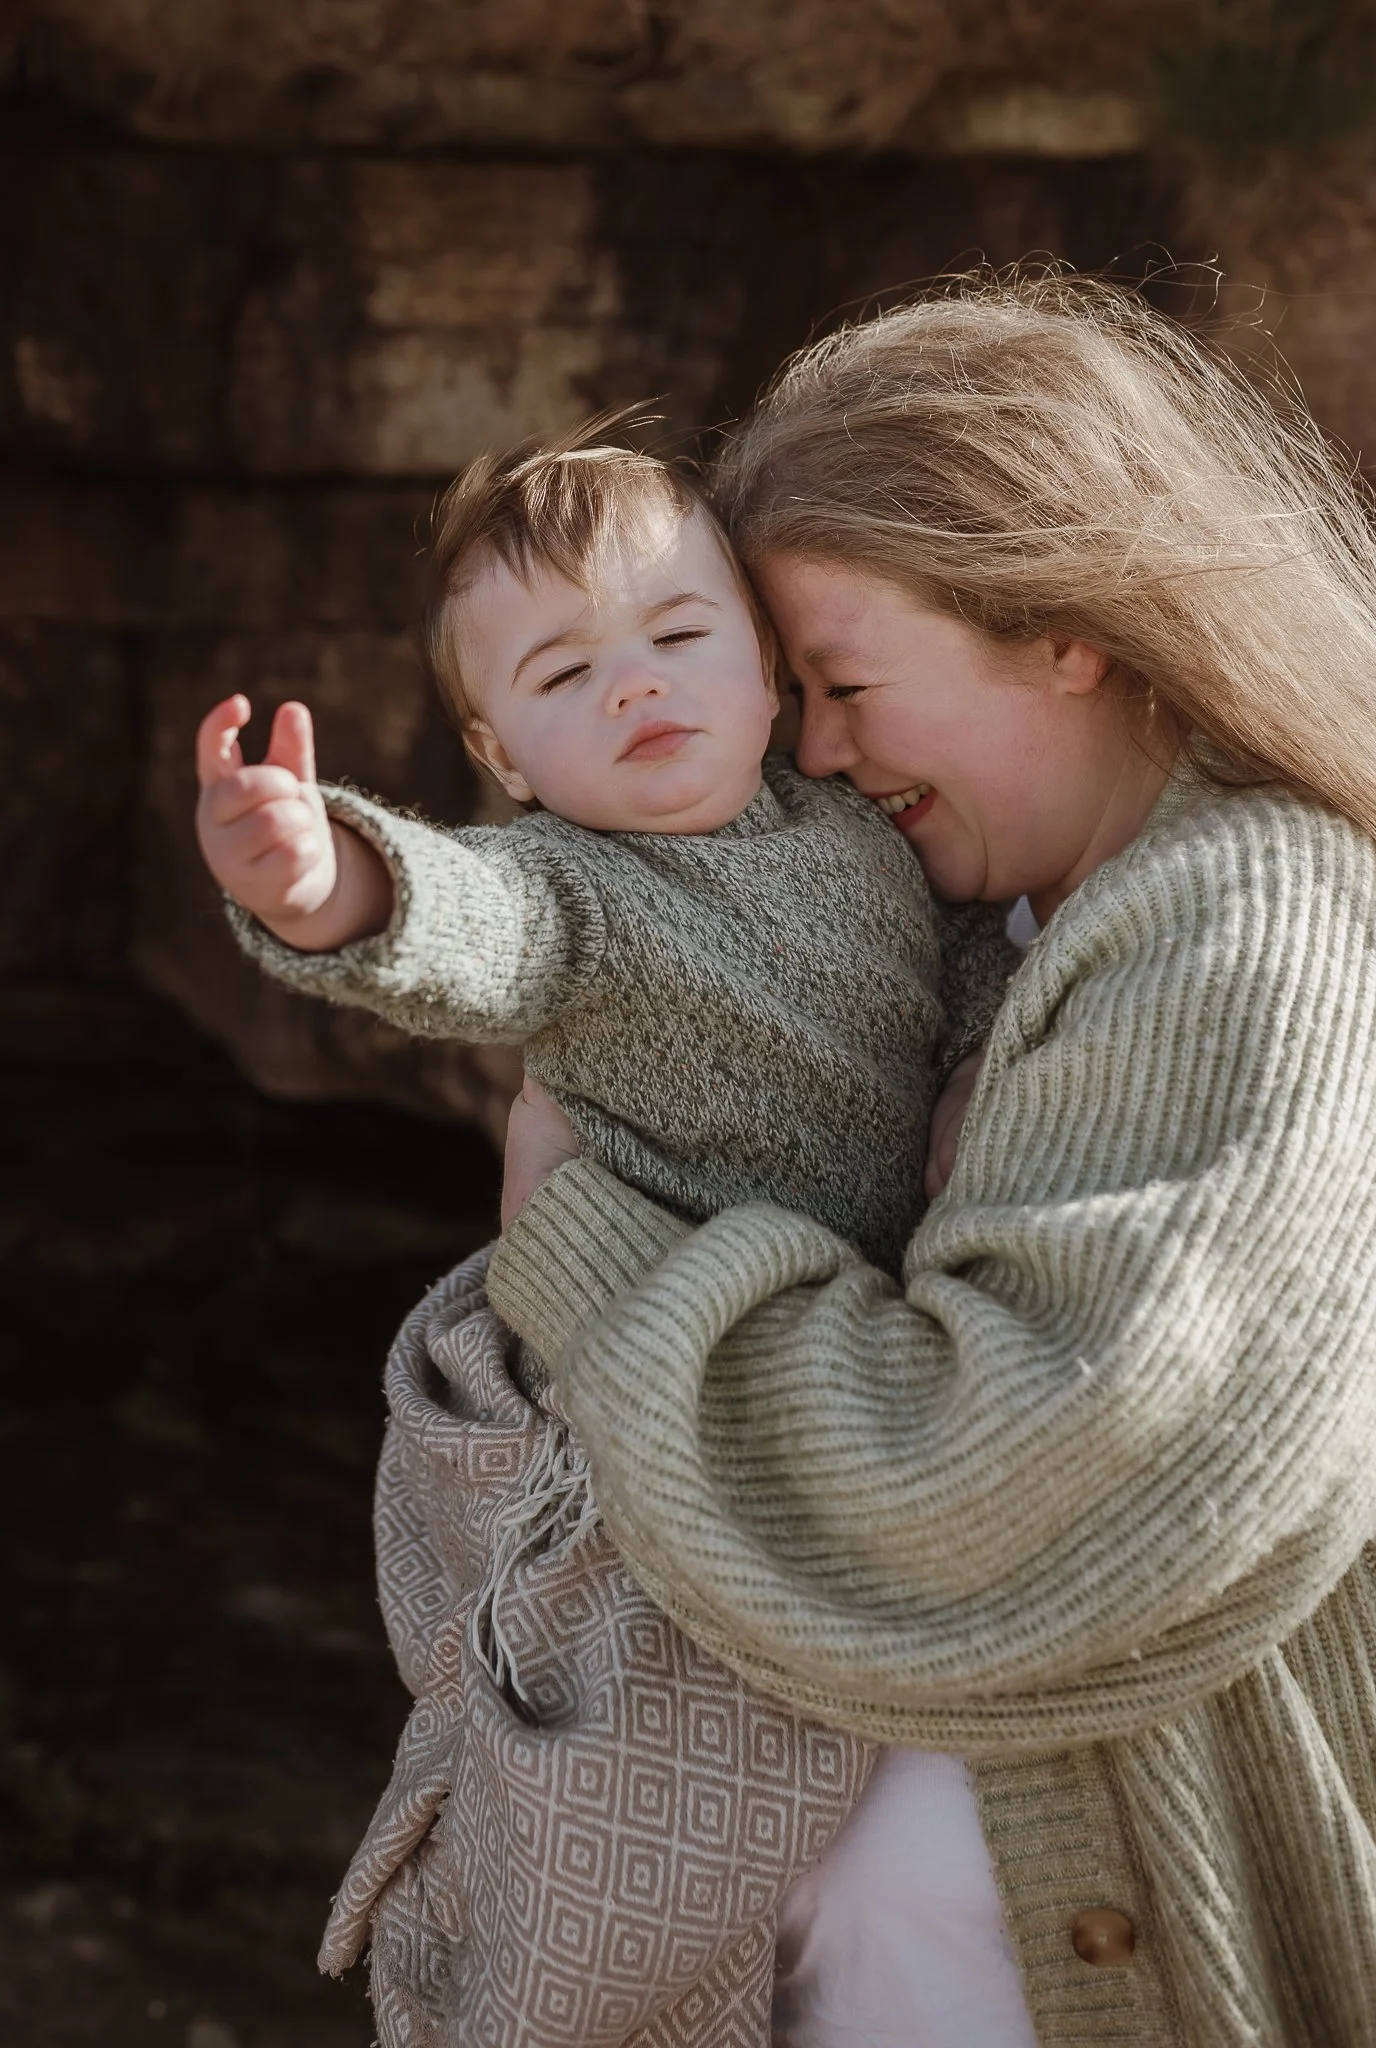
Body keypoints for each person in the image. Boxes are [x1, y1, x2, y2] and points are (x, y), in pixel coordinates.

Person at [487, 274, 1376, 2048]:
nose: (813, 750)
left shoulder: (1263, 932)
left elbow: (999, 1487)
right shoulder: (1043, 931)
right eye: (789, 690)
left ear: (1065, 628)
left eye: (847, 680)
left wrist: (585, 1246)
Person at [190, 431, 1018, 2044]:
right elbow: (459, 921)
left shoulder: (861, 836)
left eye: (678, 638)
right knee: (644, 1822)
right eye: (567, 673)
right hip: (660, 1399)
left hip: (848, 1376)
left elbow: (980, 959)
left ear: (772, 675)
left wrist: (987, 1064)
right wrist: (320, 881)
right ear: (503, 754)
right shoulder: (575, 891)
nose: (636, 688)